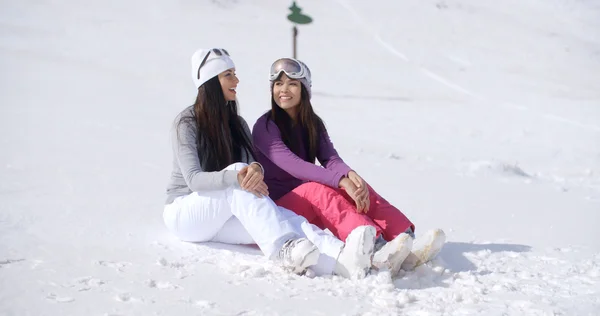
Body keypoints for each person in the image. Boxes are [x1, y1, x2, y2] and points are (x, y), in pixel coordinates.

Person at [163, 48, 378, 279]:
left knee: (282, 217)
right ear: (210, 81)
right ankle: (283, 250)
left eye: (235, 73)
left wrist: (256, 168)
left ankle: (342, 259)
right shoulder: (186, 123)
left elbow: (250, 167)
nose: (236, 80)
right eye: (228, 74)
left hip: (222, 217)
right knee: (240, 176)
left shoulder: (238, 124)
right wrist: (240, 175)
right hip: (185, 214)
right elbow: (194, 180)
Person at [252, 58, 446, 275]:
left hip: (306, 206)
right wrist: (339, 180)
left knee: (355, 184)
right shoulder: (265, 127)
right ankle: (376, 247)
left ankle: (404, 238)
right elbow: (294, 166)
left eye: (292, 84)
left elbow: (331, 160)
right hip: (280, 211)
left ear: (304, 89)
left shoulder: (312, 123)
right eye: (278, 84)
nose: (284, 90)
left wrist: (350, 177)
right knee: (317, 189)